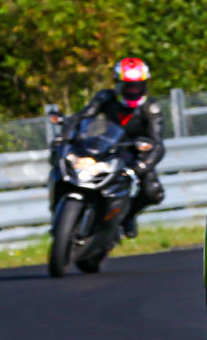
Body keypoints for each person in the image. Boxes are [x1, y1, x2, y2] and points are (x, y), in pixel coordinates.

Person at [64, 58, 165, 237]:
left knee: (153, 192)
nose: (133, 91)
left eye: (137, 86)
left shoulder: (151, 108)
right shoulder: (105, 97)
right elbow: (83, 116)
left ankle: (128, 216)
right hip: (107, 146)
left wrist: (140, 166)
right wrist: (66, 135)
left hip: (137, 152)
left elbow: (157, 144)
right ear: (118, 84)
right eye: (128, 86)